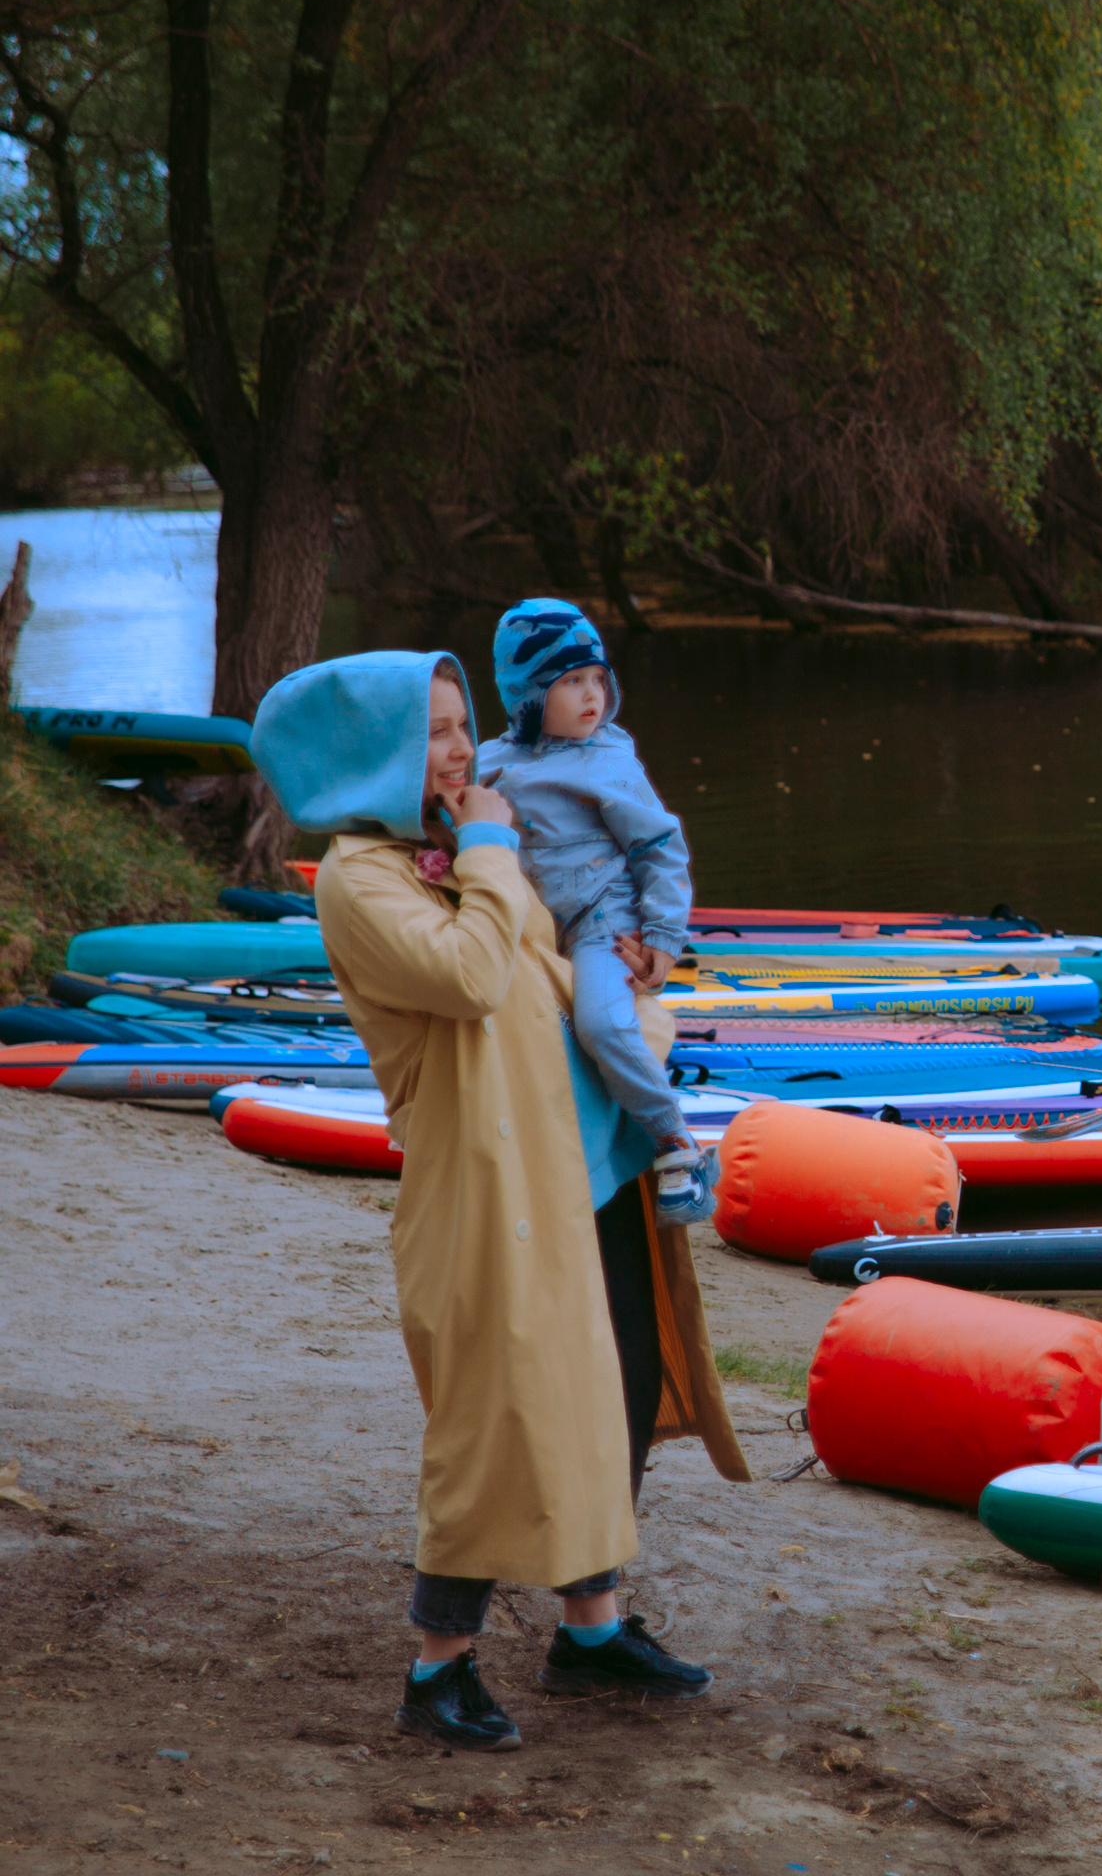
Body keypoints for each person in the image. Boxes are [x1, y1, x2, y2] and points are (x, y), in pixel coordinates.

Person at [250, 651, 748, 1753]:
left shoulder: (457, 842)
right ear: (369, 754)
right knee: (493, 1413)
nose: (460, 749)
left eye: (462, 724)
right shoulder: (361, 879)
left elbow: (534, 966)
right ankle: (438, 1666)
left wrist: (637, 1004)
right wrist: (488, 846)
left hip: (583, 1156)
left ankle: (591, 1630)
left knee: (611, 1385)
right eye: (432, 731)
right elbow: (472, 977)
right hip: (485, 1181)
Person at [476, 599, 710, 1222]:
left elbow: (659, 847)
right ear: (526, 695)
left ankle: (675, 1143)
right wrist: (441, 855)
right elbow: (461, 822)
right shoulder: (490, 762)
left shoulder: (607, 760)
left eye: (598, 679)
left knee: (602, 1025)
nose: (592, 696)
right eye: (571, 681)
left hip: (605, 920)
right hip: (535, 927)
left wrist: (664, 936)